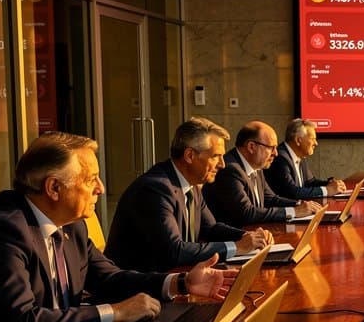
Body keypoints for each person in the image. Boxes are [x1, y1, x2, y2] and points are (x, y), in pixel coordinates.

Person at [0, 132, 235, 322]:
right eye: (91, 179)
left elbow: (109, 279)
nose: (101, 188)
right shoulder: (1, 231)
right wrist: (115, 312)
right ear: (54, 188)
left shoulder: (73, 226)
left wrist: (181, 283)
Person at [105, 117, 273, 272]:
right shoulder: (155, 189)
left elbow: (210, 228)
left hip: (175, 277)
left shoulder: (190, 184)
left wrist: (248, 237)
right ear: (190, 155)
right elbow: (174, 251)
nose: (222, 164)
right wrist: (237, 247)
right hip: (141, 290)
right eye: (216, 156)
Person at [204, 121, 321, 226]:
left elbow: (271, 199)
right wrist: (294, 212)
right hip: (238, 239)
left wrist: (301, 204)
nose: (276, 153)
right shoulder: (230, 169)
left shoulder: (257, 166)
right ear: (251, 147)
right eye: (271, 148)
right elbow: (247, 213)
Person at [265, 118, 346, 199]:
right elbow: (293, 193)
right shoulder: (280, 158)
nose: (316, 143)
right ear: (298, 140)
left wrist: (331, 184)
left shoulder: (299, 154)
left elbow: (310, 183)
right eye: (313, 139)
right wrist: (327, 190)